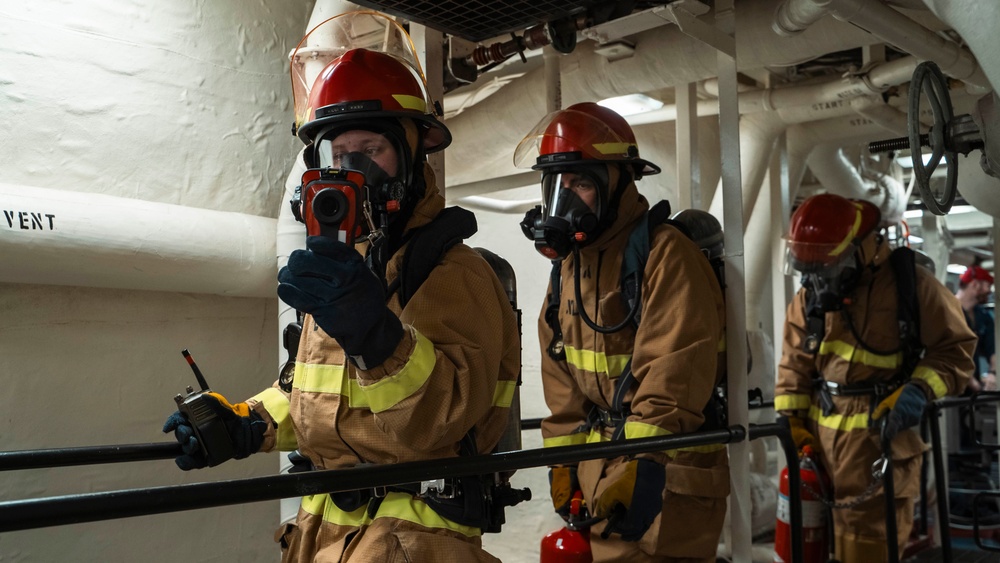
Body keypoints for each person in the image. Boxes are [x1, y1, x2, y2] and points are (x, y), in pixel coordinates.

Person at [162, 13, 520, 563]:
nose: (353, 168)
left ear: (410, 154)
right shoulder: (345, 271)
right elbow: (324, 395)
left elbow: (438, 422)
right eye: (339, 154)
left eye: (371, 149)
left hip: (411, 541)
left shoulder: (453, 273)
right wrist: (244, 424)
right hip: (321, 536)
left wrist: (376, 336)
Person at [516, 102, 730, 562]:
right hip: (604, 478)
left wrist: (644, 462)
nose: (566, 198)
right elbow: (562, 380)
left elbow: (674, 370)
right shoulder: (568, 269)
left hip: (668, 474)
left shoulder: (664, 254)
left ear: (617, 183)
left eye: (582, 183)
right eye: (557, 184)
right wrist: (564, 465)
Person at [776, 193, 975, 562]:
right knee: (807, 548)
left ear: (860, 250)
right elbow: (793, 364)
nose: (819, 281)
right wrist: (790, 423)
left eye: (828, 268)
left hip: (879, 448)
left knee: (867, 551)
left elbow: (956, 349)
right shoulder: (810, 296)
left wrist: (917, 390)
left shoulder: (911, 286)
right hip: (818, 452)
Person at [956, 264, 996, 389]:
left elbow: (993, 348)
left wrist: (993, 373)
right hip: (952, 385)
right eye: (988, 286)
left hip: (974, 388)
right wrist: (972, 383)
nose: (990, 291)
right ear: (975, 284)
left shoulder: (983, 316)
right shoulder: (948, 311)